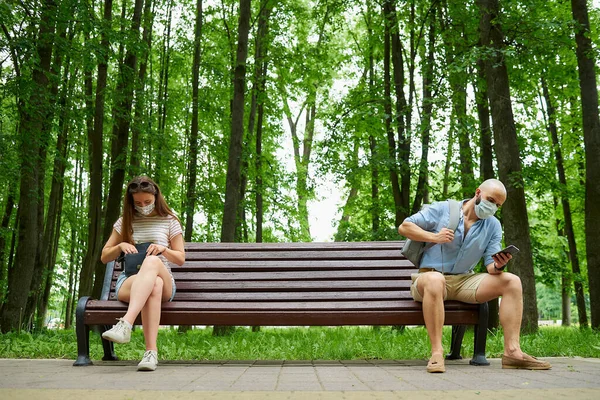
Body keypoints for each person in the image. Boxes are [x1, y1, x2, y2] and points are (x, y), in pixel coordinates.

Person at [398, 179, 551, 373]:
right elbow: (404, 227)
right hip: (430, 278)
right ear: (477, 192)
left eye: (498, 205)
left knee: (512, 281)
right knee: (436, 280)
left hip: (464, 281)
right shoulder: (443, 209)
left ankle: (512, 352)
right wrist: (434, 237)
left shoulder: (493, 226)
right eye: (490, 200)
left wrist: (498, 264)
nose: (493, 207)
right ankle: (437, 353)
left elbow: (490, 267)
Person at [100, 176, 185, 371]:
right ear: (131, 202)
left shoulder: (170, 221)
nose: (143, 206)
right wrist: (120, 245)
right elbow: (105, 257)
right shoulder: (124, 222)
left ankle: (126, 323)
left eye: (147, 202)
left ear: (156, 196)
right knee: (153, 285)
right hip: (130, 281)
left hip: (165, 281)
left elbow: (180, 258)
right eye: (138, 203)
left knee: (153, 262)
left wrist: (163, 249)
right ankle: (151, 353)